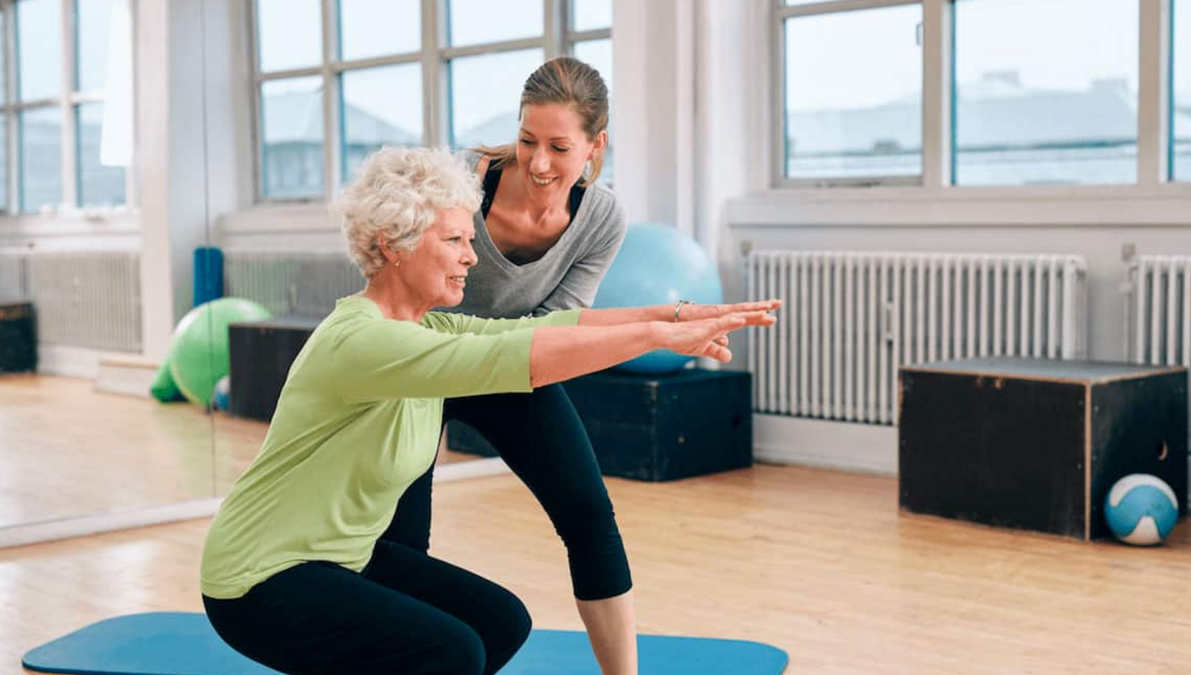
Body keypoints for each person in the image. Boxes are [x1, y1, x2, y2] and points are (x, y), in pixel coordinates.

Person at [200, 146, 778, 675]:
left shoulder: (428, 324)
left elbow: (551, 325)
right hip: (260, 579)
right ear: (391, 245)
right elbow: (525, 356)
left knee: (500, 622)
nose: (472, 258)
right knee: (450, 651)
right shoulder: (362, 341)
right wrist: (655, 337)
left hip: (340, 560)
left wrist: (677, 317)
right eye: (454, 241)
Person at [382, 55, 717, 675]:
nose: (538, 163)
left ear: (596, 145)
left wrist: (659, 330)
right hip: (423, 362)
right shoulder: (458, 185)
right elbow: (395, 290)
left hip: (510, 365)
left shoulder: (601, 218)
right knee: (402, 539)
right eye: (527, 140)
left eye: (559, 147)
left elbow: (558, 328)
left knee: (589, 516)